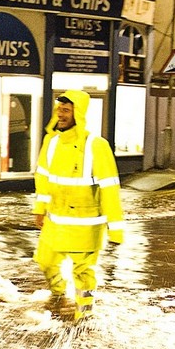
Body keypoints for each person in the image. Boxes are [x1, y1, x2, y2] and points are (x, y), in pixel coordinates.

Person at [32, 90, 125, 322]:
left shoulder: (96, 146)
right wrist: (39, 208)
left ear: (78, 114)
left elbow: (110, 187)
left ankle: (84, 314)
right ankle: (58, 294)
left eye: (65, 110)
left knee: (83, 273)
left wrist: (116, 229)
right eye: (59, 110)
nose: (60, 115)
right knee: (45, 261)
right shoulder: (51, 142)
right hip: (55, 222)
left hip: (85, 226)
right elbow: (43, 177)